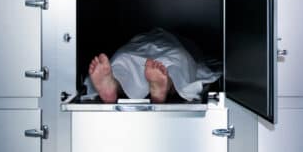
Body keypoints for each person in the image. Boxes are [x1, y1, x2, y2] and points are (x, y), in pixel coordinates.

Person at [85, 28, 221, 103]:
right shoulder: (146, 37)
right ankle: (164, 87)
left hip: (141, 47)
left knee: (124, 60)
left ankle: (115, 85)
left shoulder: (180, 40)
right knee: (176, 59)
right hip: (141, 45)